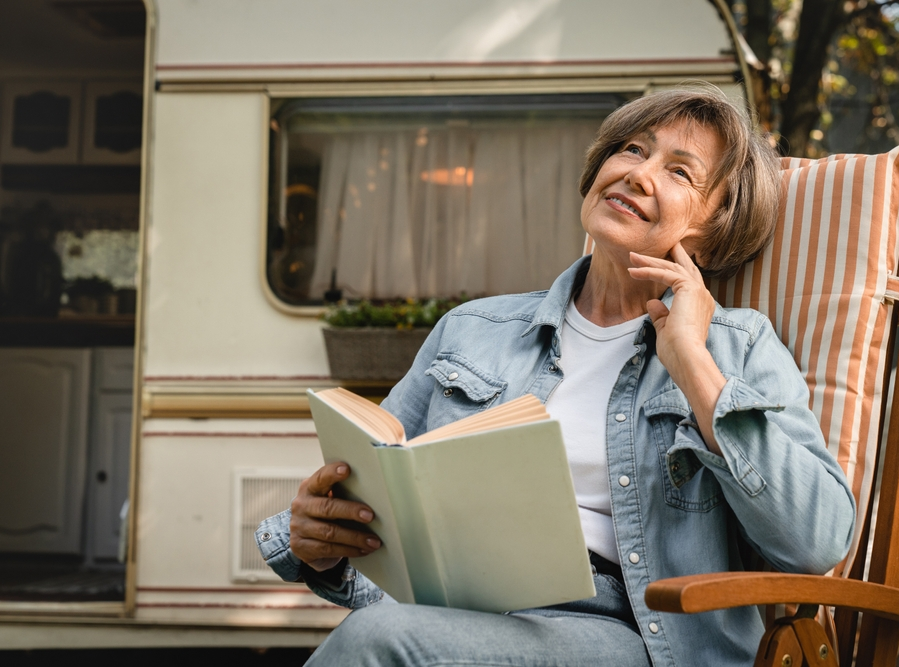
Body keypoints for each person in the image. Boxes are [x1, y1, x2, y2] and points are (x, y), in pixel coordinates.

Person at [257, 85, 856, 667]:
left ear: (716, 222)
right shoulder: (473, 328)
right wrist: (316, 539)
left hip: (629, 630)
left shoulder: (738, 345)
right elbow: (374, 486)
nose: (639, 173)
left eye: (680, 172)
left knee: (383, 640)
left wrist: (693, 364)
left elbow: (816, 542)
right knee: (386, 630)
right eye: (633, 149)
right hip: (460, 608)